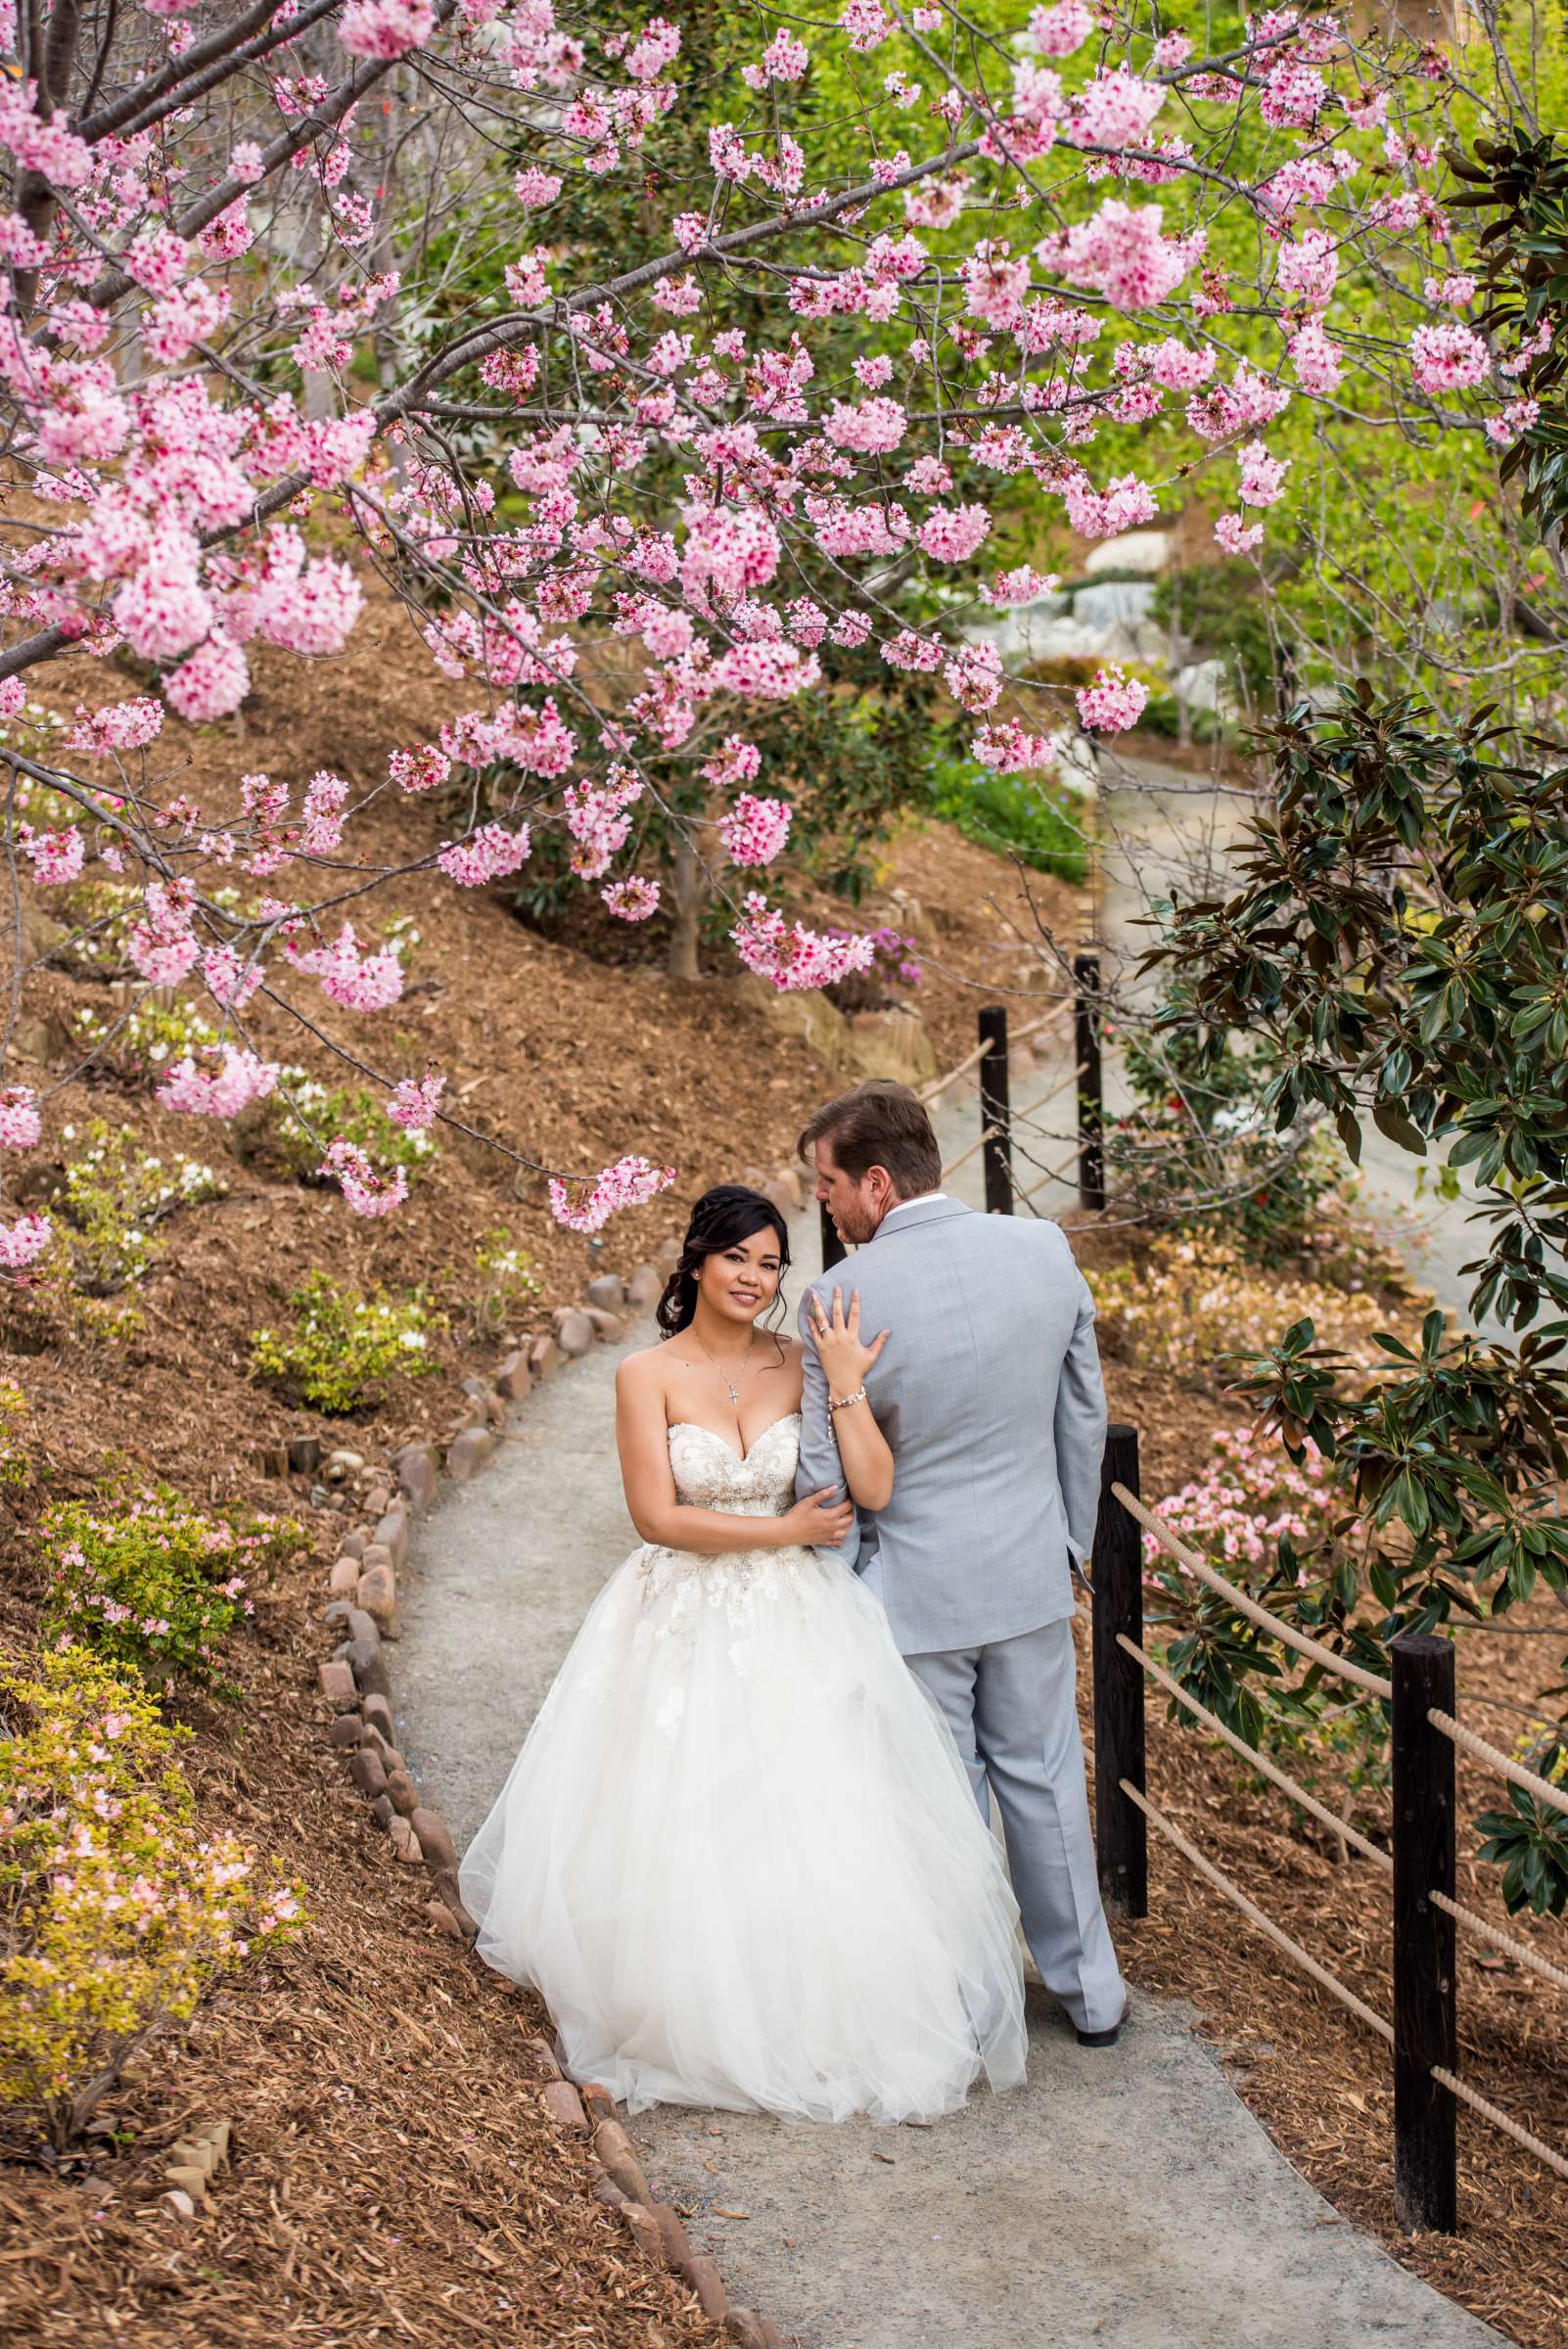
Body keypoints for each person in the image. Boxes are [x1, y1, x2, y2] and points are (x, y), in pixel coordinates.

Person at [458, 1182, 1026, 2122]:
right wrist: (786, 1532)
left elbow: (874, 1488)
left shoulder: (803, 1360)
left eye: (770, 1263)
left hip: (800, 1616)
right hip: (680, 1607)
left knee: (810, 1807)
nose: (754, 1279)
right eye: (737, 1258)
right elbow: (657, 1517)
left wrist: (845, 1380)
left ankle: (806, 2010)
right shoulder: (646, 1376)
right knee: (679, 1802)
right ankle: (681, 2011)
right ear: (696, 1260)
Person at [796, 1081, 1128, 2047]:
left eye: (827, 1186)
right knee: (1046, 1786)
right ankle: (1090, 1996)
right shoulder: (1042, 1251)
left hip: (912, 1599)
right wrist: (1068, 1541)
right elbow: (1083, 1413)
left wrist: (856, 1589)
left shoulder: (836, 1301)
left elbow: (829, 1484)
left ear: (876, 1184)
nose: (822, 1202)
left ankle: (970, 2011)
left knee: (940, 1807)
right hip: (1027, 1576)